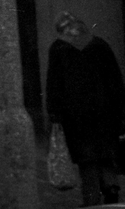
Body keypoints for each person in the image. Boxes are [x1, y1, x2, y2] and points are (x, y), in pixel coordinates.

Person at [46, 11, 125, 206]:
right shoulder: (100, 44)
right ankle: (111, 187)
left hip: (76, 114)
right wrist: (120, 109)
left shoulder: (58, 48)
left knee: (86, 157)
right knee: (107, 152)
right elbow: (115, 80)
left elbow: (54, 84)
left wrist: (54, 113)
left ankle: (91, 198)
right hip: (105, 111)